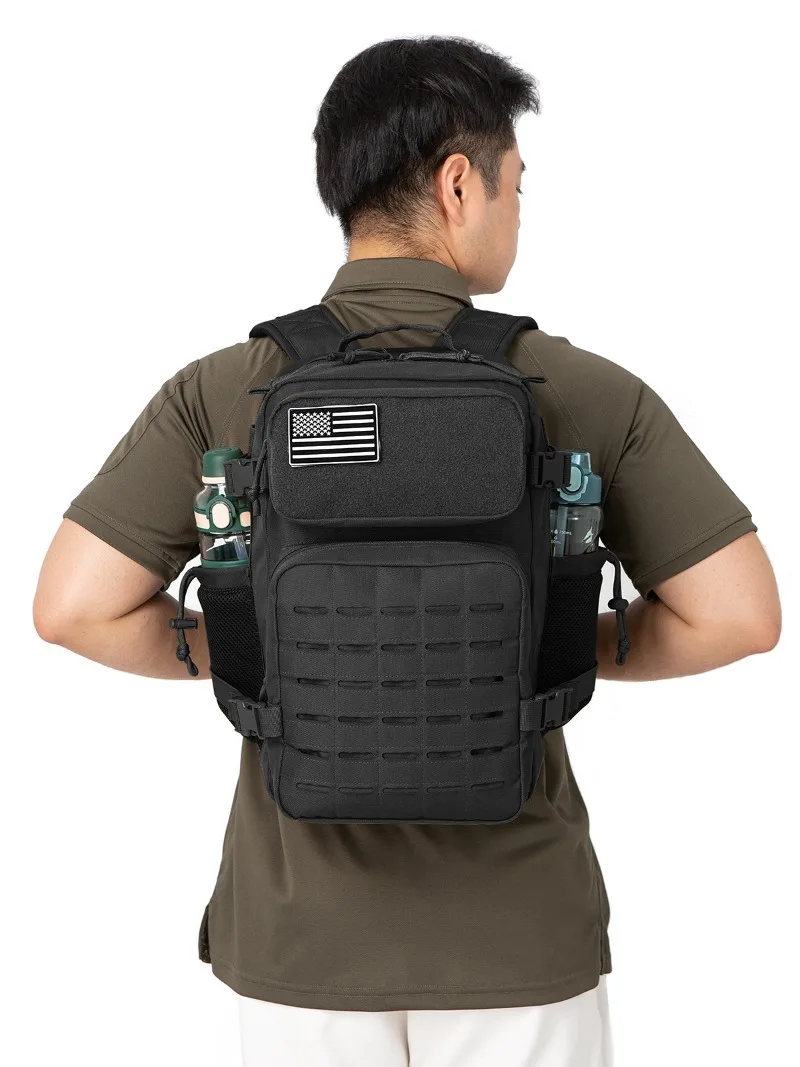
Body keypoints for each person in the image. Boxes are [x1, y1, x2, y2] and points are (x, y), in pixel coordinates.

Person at [33, 36, 780, 1067]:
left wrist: (264, 645)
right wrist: (541, 640)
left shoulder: (224, 387)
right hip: (519, 933)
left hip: (300, 940)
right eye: (517, 184)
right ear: (458, 183)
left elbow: (71, 606)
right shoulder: (582, 388)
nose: (519, 210)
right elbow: (740, 614)